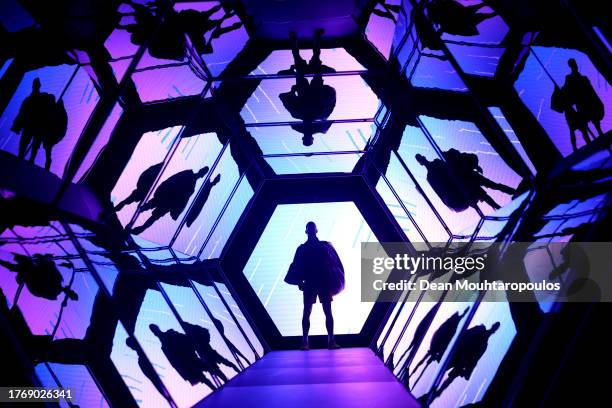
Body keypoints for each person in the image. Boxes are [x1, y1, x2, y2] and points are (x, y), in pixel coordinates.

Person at [284, 221, 345, 350]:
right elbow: (296, 265)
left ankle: (331, 340)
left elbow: (334, 262)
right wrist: (300, 281)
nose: (311, 230)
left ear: (316, 230)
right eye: (309, 228)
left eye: (312, 228)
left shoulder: (324, 246)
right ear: (307, 231)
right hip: (310, 282)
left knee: (327, 311)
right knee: (307, 312)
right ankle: (305, 342)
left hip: (323, 281)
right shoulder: (303, 248)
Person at [278, 30, 337, 146]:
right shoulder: (299, 115)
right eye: (309, 138)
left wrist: (292, 91)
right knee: (306, 59)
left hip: (312, 88)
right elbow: (284, 98)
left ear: (304, 137)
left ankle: (306, 38)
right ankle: (298, 38)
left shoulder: (315, 116)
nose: (308, 135)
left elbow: (284, 98)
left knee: (310, 59)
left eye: (306, 137)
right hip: (309, 87)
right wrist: (292, 91)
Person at [415, 150, 515, 212]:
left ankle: (512, 194)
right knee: (485, 192)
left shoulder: (437, 163)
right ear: (420, 163)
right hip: (463, 184)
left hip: (466, 178)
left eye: (421, 158)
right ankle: (500, 207)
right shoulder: (431, 175)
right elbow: (442, 191)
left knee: (492, 186)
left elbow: (454, 161)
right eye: (420, 160)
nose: (423, 160)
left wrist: (472, 166)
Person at [428, 322, 500, 403]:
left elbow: (476, 359)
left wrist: (468, 371)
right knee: (441, 365)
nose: (493, 329)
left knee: (451, 375)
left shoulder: (485, 344)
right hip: (458, 352)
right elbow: (464, 334)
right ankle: (434, 389)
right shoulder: (480, 329)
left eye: (495, 328)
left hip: (463, 360)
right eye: (495, 327)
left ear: (494, 331)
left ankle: (437, 393)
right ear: (492, 326)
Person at [130, 166, 209, 235]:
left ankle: (140, 228)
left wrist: (176, 210)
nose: (201, 173)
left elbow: (184, 199)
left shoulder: (191, 184)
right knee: (149, 208)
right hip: (166, 195)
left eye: (203, 172)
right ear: (200, 171)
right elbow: (174, 179)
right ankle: (136, 225)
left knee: (153, 214)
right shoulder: (189, 176)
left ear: (202, 175)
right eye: (203, 171)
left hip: (169, 202)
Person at [11, 78, 67, 170]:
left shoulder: (42, 98)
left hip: (38, 126)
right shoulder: (35, 99)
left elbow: (24, 112)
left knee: (33, 143)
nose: (36, 86)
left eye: (36, 85)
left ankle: (29, 159)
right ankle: (25, 158)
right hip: (34, 125)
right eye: (35, 85)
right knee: (28, 142)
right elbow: (23, 112)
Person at [149, 324, 217, 390]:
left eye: (154, 330)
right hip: (187, 362)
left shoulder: (168, 338)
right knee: (205, 373)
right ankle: (218, 386)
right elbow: (174, 361)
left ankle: (218, 386)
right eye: (154, 331)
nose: (155, 332)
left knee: (206, 372)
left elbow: (184, 339)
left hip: (189, 360)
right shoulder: (167, 340)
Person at [0, 253, 78, 303]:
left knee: (17, 266)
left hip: (30, 273)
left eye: (71, 293)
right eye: (72, 292)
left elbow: (36, 291)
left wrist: (27, 278)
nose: (70, 291)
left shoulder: (56, 287)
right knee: (17, 265)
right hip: (30, 272)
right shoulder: (58, 281)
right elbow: (50, 266)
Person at [125, 336, 175, 406]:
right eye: (131, 346)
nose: (132, 347)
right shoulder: (142, 359)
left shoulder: (144, 357)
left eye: (131, 345)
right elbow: (152, 378)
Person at [563, 58, 605, 138]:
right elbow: (566, 89)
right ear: (570, 66)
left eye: (575, 63)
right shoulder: (569, 78)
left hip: (589, 102)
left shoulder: (584, 78)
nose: (575, 65)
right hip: (581, 104)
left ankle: (600, 134)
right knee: (583, 127)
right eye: (573, 64)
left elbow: (591, 91)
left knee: (595, 121)